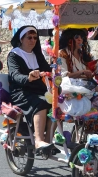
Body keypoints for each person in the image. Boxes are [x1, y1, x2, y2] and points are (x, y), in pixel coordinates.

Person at [7, 25, 58, 154]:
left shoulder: (37, 54)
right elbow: (15, 75)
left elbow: (48, 70)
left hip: (39, 90)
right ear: (21, 39)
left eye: (35, 37)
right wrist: (28, 78)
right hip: (21, 92)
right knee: (40, 103)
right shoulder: (14, 55)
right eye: (29, 37)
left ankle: (48, 141)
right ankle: (38, 140)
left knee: (57, 105)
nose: (33, 40)